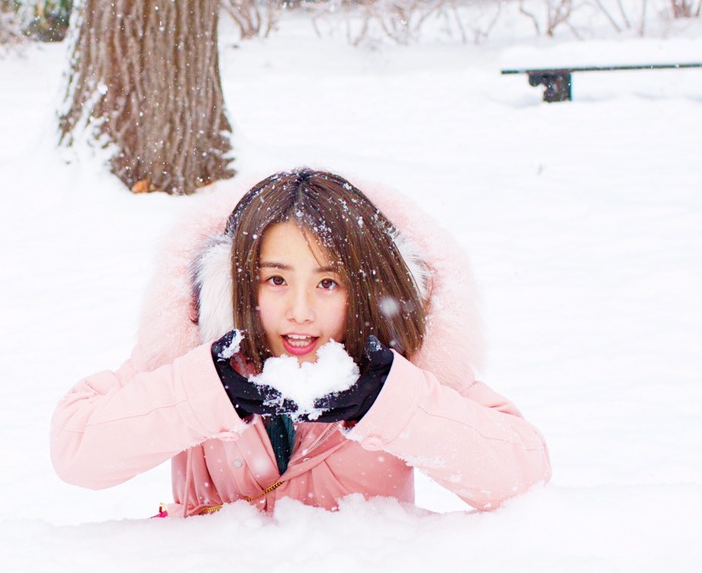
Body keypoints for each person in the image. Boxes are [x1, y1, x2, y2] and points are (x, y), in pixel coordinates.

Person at [51, 168, 551, 515]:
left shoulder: (407, 367)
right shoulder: (193, 352)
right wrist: (204, 394)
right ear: (236, 284)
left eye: (328, 284)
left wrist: (393, 404)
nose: (300, 311)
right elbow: (77, 453)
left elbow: (523, 480)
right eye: (276, 280)